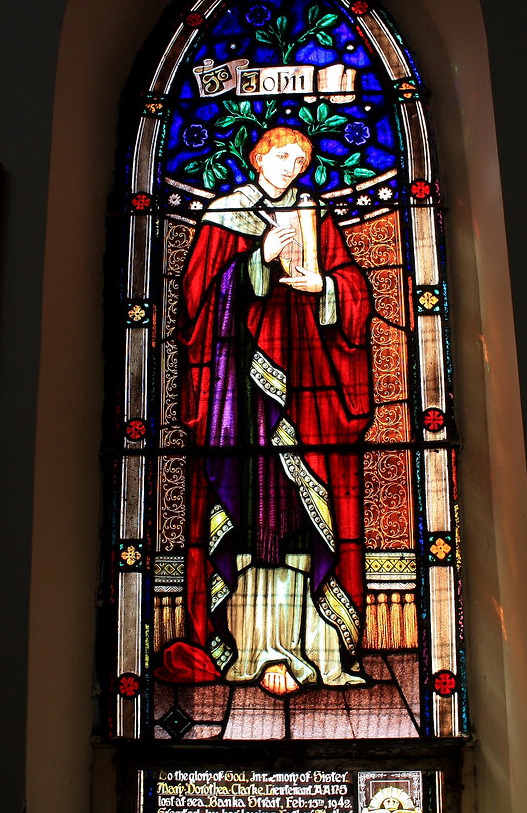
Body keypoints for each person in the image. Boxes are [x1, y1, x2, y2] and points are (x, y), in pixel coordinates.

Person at [159, 126, 373, 694]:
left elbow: (354, 289)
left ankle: (311, 647)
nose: (293, 167)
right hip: (241, 393)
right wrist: (257, 261)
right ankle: (252, 649)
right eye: (283, 155)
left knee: (305, 516)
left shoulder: (315, 214)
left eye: (302, 158)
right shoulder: (225, 212)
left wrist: (321, 283)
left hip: (306, 390)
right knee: (253, 512)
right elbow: (197, 301)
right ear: (258, 156)